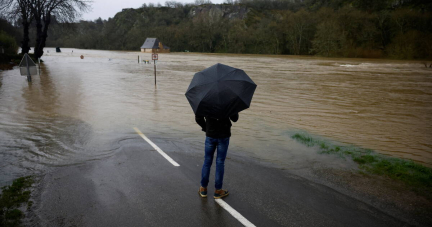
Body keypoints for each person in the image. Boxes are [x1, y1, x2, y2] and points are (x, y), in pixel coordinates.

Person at [195, 113, 239, 199]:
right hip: (224, 134)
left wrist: (206, 128)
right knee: (220, 162)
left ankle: (203, 188)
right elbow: (235, 118)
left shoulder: (206, 100)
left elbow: (198, 118)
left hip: (210, 134)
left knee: (207, 161)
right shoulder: (229, 101)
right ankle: (218, 190)